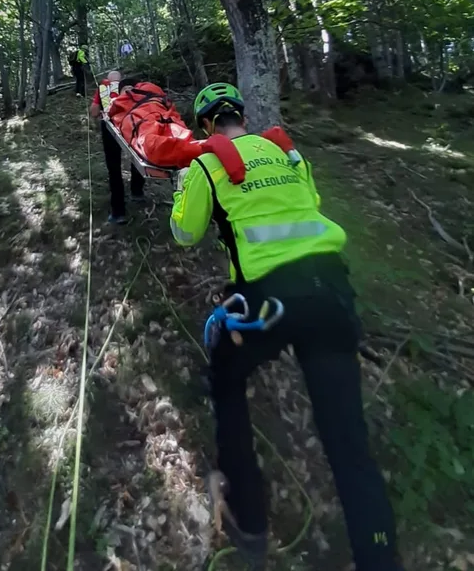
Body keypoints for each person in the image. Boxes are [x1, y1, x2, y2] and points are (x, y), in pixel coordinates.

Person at [169, 82, 403, 571]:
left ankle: (250, 523)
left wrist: (181, 194)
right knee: (347, 440)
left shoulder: (208, 163)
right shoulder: (287, 154)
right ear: (241, 118)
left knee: (227, 382)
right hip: (330, 290)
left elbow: (186, 234)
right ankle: (379, 555)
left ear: (207, 126)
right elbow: (309, 203)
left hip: (265, 300)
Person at [90, 71, 145, 224]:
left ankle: (118, 212)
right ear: (121, 80)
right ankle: (137, 191)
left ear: (108, 79)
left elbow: (94, 112)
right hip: (133, 124)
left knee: (114, 168)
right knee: (137, 157)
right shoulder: (134, 87)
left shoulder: (102, 88)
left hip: (110, 127)